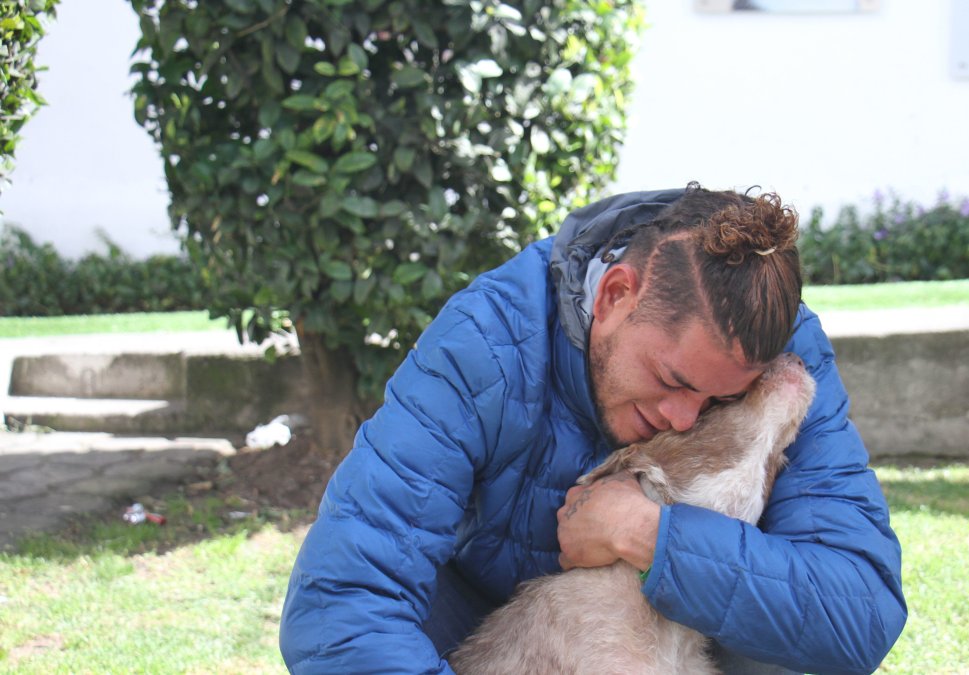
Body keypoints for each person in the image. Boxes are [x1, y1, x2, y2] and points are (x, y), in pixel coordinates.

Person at [279, 183, 907, 673]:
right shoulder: (486, 342)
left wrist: (650, 537)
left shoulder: (781, 357)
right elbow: (341, 603)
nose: (686, 417)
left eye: (722, 399)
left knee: (779, 628)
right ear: (613, 295)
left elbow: (861, 614)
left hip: (681, 641)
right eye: (672, 379)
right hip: (478, 631)